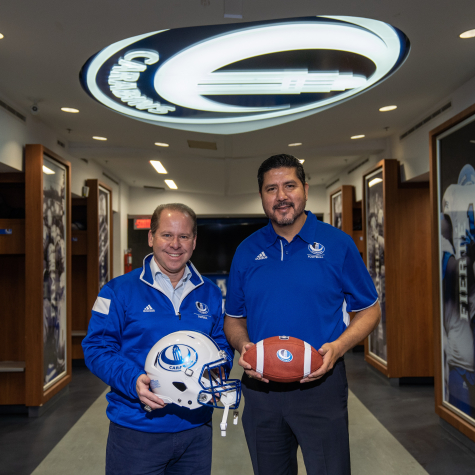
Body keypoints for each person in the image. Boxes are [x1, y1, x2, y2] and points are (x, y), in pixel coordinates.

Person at [224, 154, 381, 475]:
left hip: (320, 385)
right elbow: (233, 318)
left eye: (289, 186)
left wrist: (337, 348)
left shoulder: (338, 244)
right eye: (271, 189)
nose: (281, 196)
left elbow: (368, 310)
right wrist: (244, 347)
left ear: (305, 189)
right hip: (261, 388)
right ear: (262, 197)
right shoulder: (246, 251)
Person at [82, 203, 233, 475]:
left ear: (194, 241)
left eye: (184, 236)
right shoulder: (117, 291)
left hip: (196, 431)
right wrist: (132, 380)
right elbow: (96, 348)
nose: (175, 244)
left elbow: (221, 344)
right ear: (151, 238)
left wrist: (219, 372)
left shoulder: (210, 292)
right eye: (167, 235)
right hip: (137, 431)